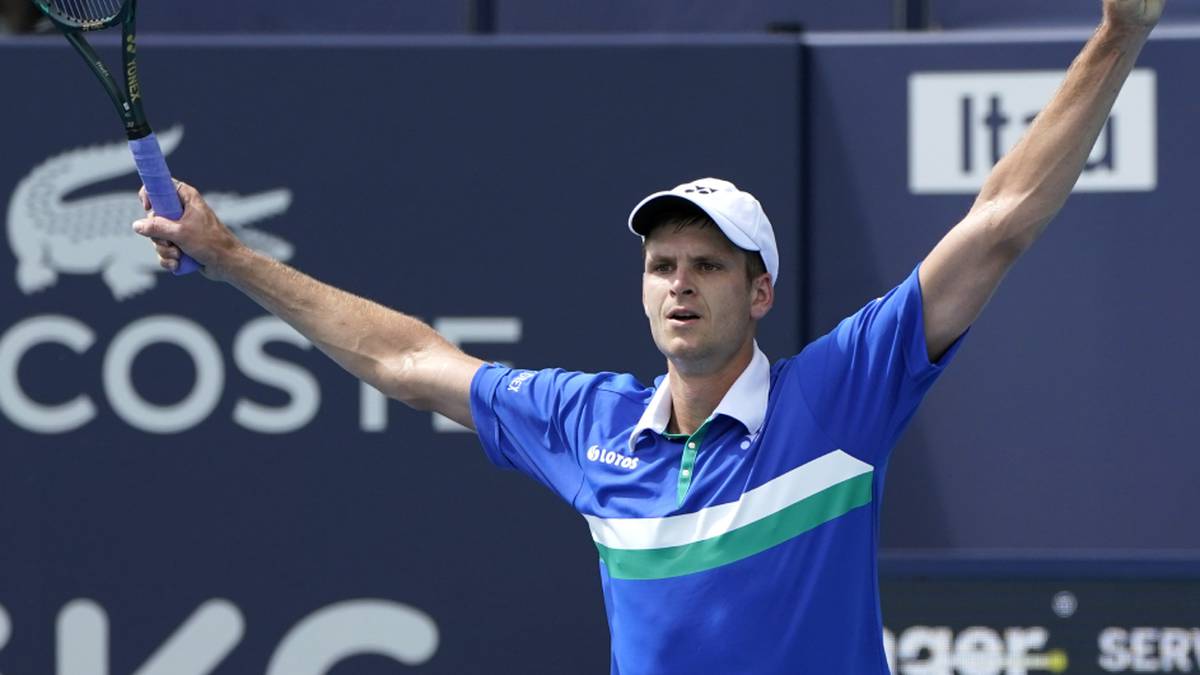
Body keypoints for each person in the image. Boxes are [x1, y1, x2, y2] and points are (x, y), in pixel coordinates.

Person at [131, 1, 1164, 671]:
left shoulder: (839, 398)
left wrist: (1117, 35)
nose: (680, 285)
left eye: (709, 266)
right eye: (663, 265)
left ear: (759, 294)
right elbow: (408, 362)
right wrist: (227, 253)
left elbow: (997, 227)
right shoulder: (591, 425)